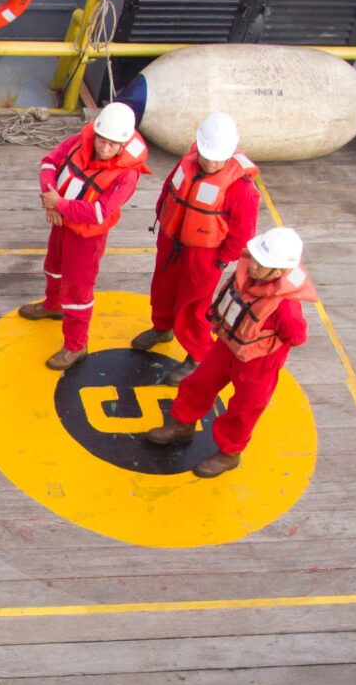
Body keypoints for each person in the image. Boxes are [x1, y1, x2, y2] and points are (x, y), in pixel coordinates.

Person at [142, 226, 316, 480]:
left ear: (278, 272)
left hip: (259, 363)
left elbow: (296, 336)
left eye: (261, 264)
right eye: (255, 259)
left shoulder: (286, 307)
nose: (254, 266)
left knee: (245, 408)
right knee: (198, 383)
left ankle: (229, 453)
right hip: (227, 346)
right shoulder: (247, 276)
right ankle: (183, 425)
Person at [19, 101, 149, 370]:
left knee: (78, 292)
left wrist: (58, 204)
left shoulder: (127, 175)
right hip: (61, 223)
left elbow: (100, 213)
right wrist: (50, 197)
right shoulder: (81, 140)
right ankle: (53, 305)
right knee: (53, 268)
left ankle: (76, 346)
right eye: (102, 140)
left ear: (123, 144)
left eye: (113, 144)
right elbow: (49, 164)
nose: (104, 148)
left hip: (86, 238)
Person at [133, 111, 258, 384]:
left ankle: (196, 355)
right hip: (171, 242)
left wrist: (222, 260)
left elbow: (243, 232)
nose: (210, 161)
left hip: (205, 254)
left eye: (217, 157)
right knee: (162, 289)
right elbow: (168, 191)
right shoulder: (186, 163)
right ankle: (162, 327)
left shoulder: (242, 189)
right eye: (206, 154)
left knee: (193, 305)